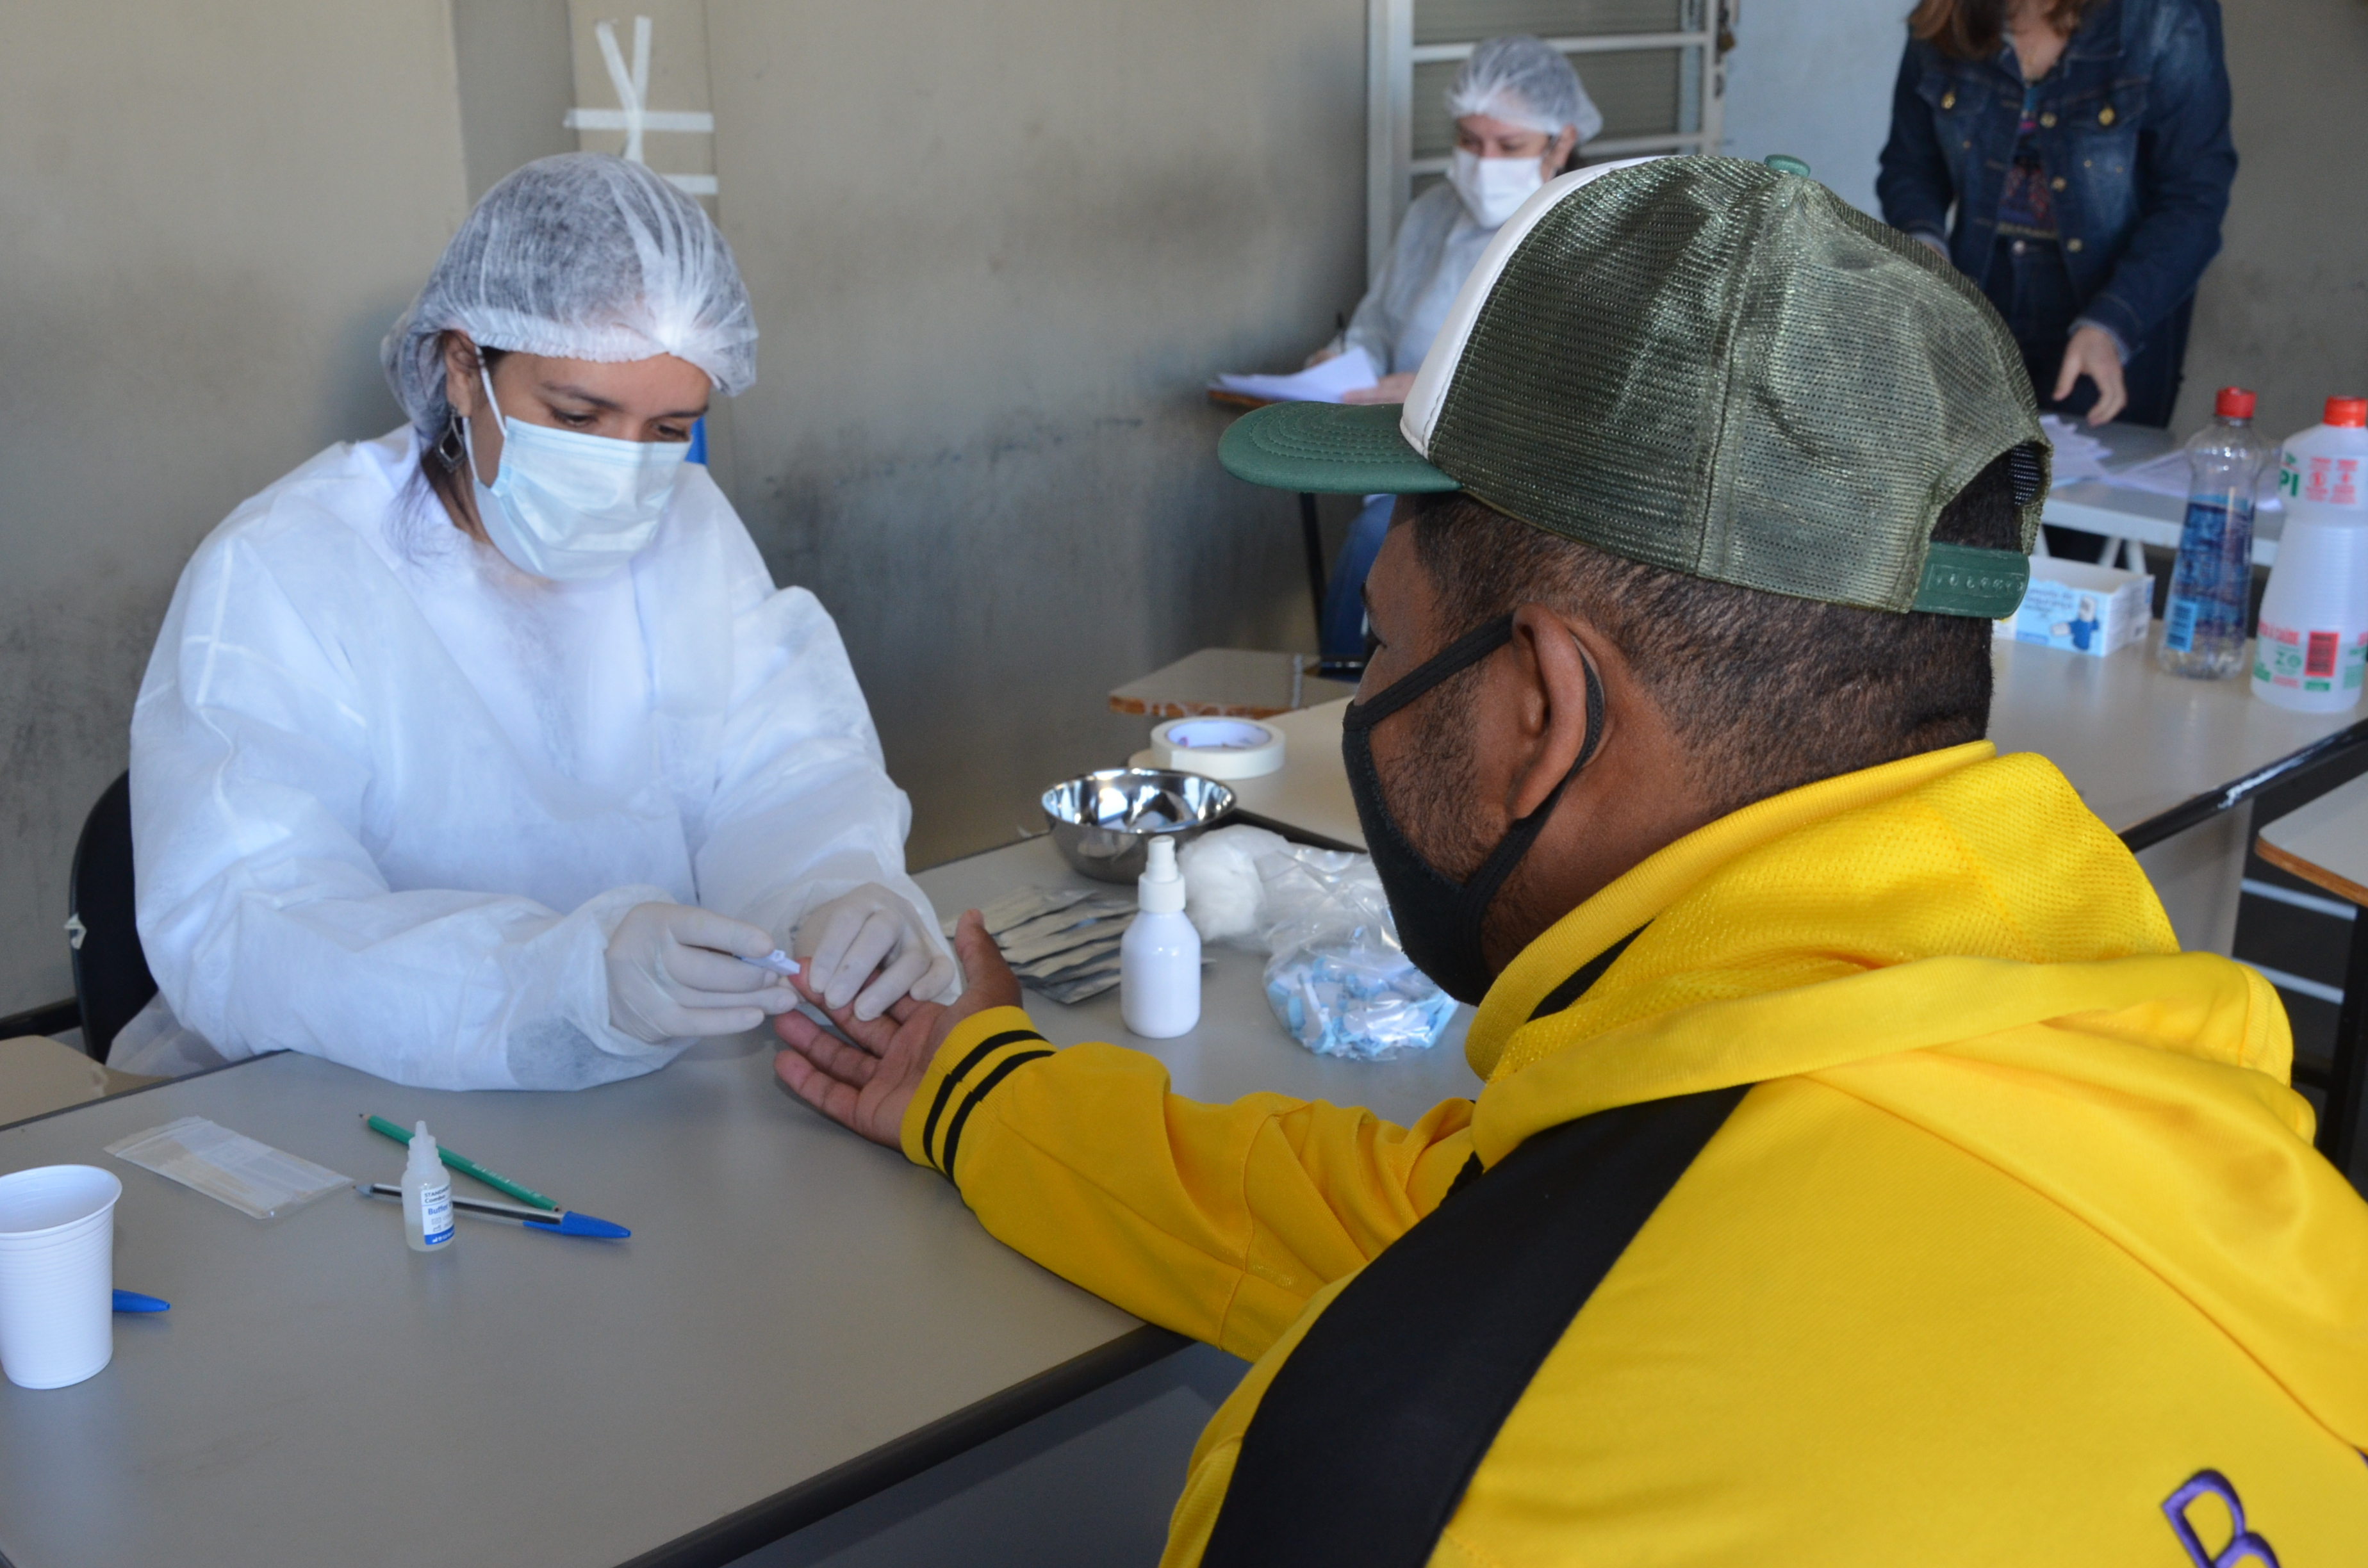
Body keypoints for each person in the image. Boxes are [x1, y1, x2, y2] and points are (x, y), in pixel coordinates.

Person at [774, 158, 2368, 1562]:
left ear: (1540, 708)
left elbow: (1513, 1293)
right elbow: (1447, 1217)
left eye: (1377, 659)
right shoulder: (2215, 1143)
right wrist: (980, 1089)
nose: (1367, 713)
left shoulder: (1410, 1478)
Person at [119, 153, 954, 1089]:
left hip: (663, 1094)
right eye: (579, 415)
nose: (627, 467)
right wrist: (552, 983)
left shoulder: (688, 528)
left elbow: (780, 773)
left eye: (670, 429)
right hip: (363, 1110)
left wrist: (828, 898)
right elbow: (253, 919)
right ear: (465, 366)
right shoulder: (288, 570)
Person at [1311, 35, 1600, 660]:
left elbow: (1580, 391)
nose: (1483, 160)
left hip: (1511, 485)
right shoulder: (1431, 217)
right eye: (1470, 141)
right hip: (1397, 461)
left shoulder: (1588, 233)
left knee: (1377, 541)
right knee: (1378, 541)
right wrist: (1341, 357)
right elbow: (1379, 326)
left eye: (1508, 146)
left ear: (1562, 142)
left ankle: (1343, 699)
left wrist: (1441, 389)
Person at [1877, 0, 2235, 430]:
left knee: (2080, 491)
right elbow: (1910, 166)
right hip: (1976, 303)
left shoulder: (2166, 16)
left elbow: (2194, 198)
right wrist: (1924, 248)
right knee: (1958, 489)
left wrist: (2113, 322)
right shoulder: (1946, 13)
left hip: (2115, 307)